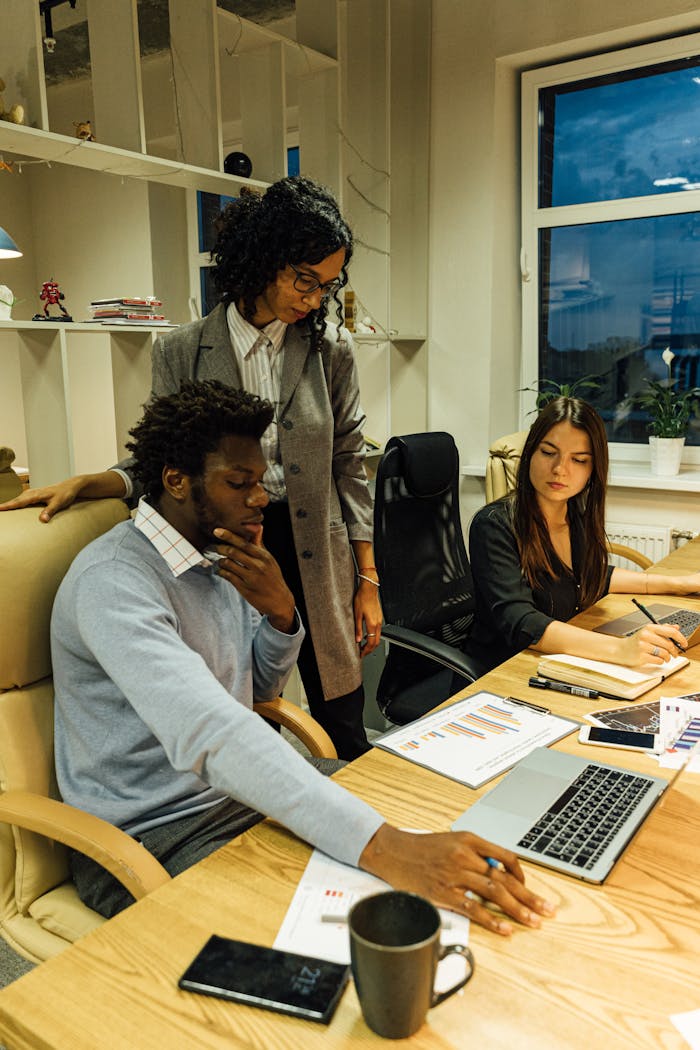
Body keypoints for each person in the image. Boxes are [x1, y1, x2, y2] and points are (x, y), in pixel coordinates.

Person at [51, 380, 554, 935]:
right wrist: (385, 848)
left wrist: (281, 613)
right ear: (175, 481)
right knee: (354, 923)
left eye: (259, 480)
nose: (260, 498)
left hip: (240, 793)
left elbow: (259, 692)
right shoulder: (114, 582)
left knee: (433, 813)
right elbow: (211, 731)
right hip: (155, 833)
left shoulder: (218, 553)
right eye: (239, 483)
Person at [1, 176, 380, 760]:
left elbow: (349, 461)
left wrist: (368, 578)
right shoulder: (182, 349)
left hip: (316, 546)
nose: (313, 299)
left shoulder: (329, 347)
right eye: (305, 279)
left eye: (326, 285)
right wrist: (92, 482)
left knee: (342, 710)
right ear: (265, 259)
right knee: (246, 703)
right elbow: (164, 456)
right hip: (227, 542)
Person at [464, 396, 700, 672]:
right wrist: (621, 649)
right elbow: (522, 622)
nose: (560, 469)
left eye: (578, 460)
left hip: (560, 660)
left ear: (592, 469)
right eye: (548, 452)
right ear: (530, 454)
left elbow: (594, 576)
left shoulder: (574, 513)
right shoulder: (494, 525)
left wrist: (681, 584)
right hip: (505, 671)